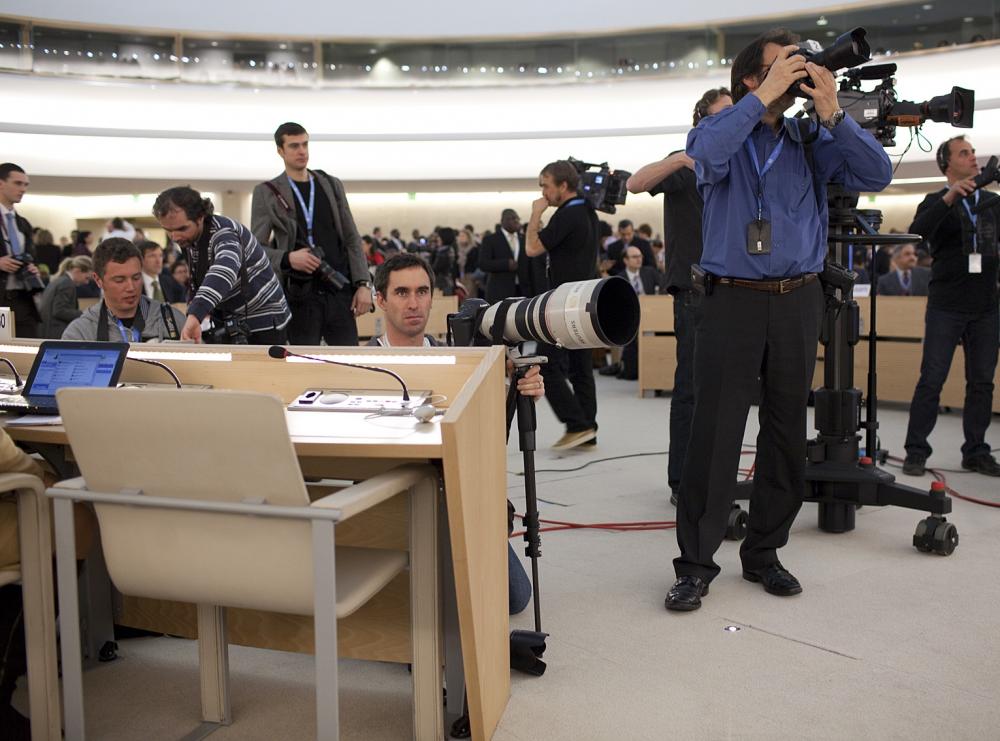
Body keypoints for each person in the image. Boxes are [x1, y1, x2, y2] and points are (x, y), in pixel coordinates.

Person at [664, 29, 892, 612]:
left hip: (797, 298)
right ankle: (695, 565)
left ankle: (764, 553)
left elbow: (876, 175)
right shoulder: (722, 130)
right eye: (780, 67)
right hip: (731, 299)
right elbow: (705, 154)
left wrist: (833, 111)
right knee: (715, 434)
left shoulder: (809, 137)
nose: (795, 72)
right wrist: (759, 98)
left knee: (787, 432)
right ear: (751, 78)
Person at [368, 252, 542, 614]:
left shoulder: (460, 360)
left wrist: (521, 390)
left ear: (434, 297)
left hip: (459, 497)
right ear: (380, 299)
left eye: (422, 291)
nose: (414, 303)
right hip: (394, 498)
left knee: (515, 596)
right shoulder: (363, 366)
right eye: (401, 293)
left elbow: (486, 431)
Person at [627, 87, 734, 506]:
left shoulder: (739, 164)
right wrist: (681, 157)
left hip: (736, 289)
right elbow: (636, 182)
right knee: (691, 387)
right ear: (702, 122)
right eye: (721, 114)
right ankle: (682, 481)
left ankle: (716, 474)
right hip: (693, 290)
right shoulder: (684, 166)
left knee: (730, 390)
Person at [902, 136, 1000, 477]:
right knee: (932, 379)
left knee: (982, 382)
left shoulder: (991, 201)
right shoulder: (934, 201)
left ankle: (976, 450)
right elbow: (918, 233)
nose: (973, 157)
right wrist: (950, 197)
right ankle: (916, 449)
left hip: (986, 305)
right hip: (946, 305)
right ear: (947, 164)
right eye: (964, 153)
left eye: (973, 152)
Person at [250, 122, 371, 346]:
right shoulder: (267, 192)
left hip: (338, 287)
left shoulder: (331, 185)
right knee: (304, 363)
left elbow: (352, 238)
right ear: (280, 151)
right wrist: (288, 258)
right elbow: (255, 250)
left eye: (305, 144)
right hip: (299, 294)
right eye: (294, 145)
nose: (302, 151)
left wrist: (363, 284)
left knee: (350, 365)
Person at [525, 160, 601, 450]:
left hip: (564, 306)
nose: (543, 192)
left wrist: (535, 214)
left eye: (545, 185)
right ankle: (588, 429)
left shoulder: (567, 214)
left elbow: (532, 248)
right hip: (583, 301)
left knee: (545, 366)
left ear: (563, 186)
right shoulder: (587, 211)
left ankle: (577, 424)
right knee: (581, 367)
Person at [153, 186, 291, 345]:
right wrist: (195, 308)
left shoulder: (225, 233)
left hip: (263, 317)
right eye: (168, 230)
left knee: (262, 370)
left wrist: (196, 314)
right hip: (230, 317)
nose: (175, 237)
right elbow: (198, 278)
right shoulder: (189, 238)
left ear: (200, 217)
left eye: (182, 228)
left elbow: (224, 271)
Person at [62, 239, 186, 342]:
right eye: (119, 280)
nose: (131, 287)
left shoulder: (172, 320)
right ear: (98, 280)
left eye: (136, 278)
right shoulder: (80, 333)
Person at [0, 163, 43, 337]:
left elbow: (31, 256)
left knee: (28, 352)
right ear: (1, 183)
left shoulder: (23, 223)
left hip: (23, 299)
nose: (23, 189)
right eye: (18, 183)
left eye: (26, 185)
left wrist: (32, 267)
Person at [617, 246, 663, 380]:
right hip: (630, 318)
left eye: (640, 256)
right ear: (625, 260)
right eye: (634, 257)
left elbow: (663, 286)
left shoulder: (650, 272)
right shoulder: (619, 278)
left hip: (652, 314)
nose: (639, 259)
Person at [39, 255, 93, 339]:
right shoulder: (67, 285)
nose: (86, 283)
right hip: (56, 333)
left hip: (46, 331)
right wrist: (85, 314)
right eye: (87, 278)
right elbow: (59, 311)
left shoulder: (58, 281)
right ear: (77, 271)